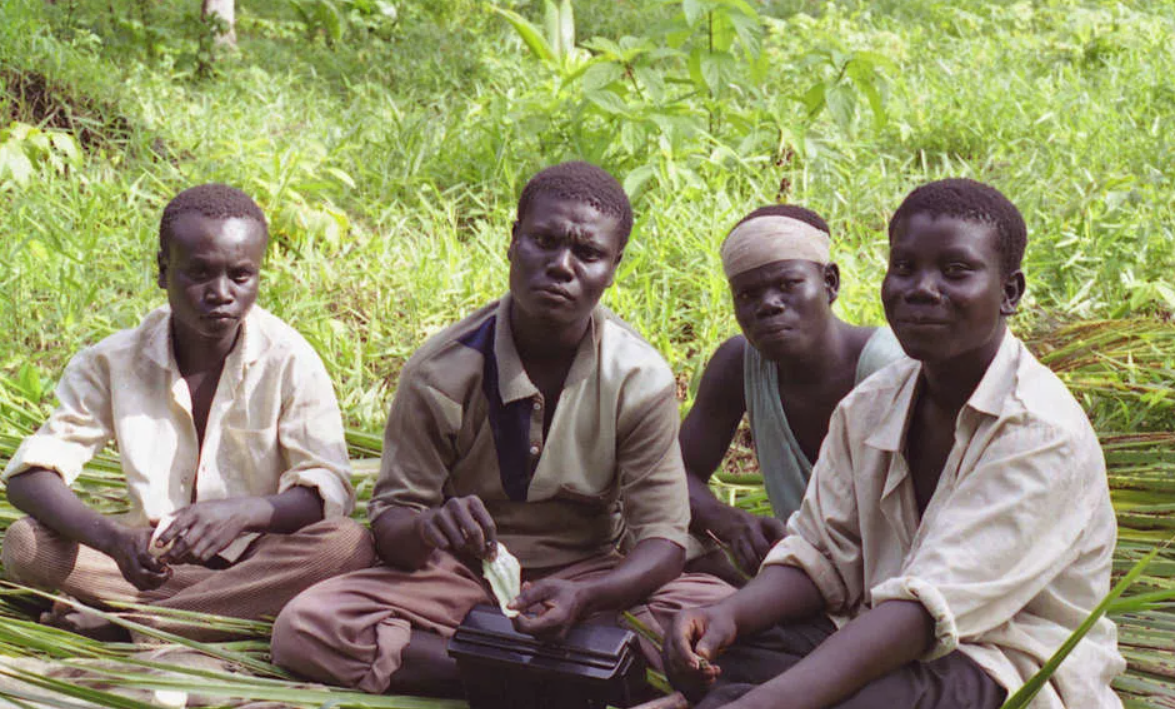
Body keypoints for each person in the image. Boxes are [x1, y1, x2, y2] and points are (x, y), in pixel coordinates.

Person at [269, 161, 732, 696]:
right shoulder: (441, 372)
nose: (561, 266)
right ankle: (567, 679)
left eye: (588, 253)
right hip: (464, 580)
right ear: (512, 242)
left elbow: (663, 544)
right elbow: (393, 526)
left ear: (614, 266)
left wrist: (589, 596)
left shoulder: (638, 379)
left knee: (720, 615)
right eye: (544, 240)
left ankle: (502, 669)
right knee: (306, 626)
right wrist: (429, 527)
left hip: (593, 579)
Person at [664, 178, 1125, 709]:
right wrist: (729, 615)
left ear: (1009, 293)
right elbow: (822, 554)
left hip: (997, 661)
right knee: (727, 656)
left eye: (955, 271)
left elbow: (923, 612)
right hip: (875, 632)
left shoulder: (1040, 433)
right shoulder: (873, 404)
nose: (920, 288)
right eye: (903, 268)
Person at [1, 183, 374, 642]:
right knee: (26, 544)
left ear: (258, 275)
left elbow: (328, 489)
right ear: (163, 271)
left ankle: (132, 627)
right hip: (150, 570)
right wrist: (114, 541)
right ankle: (219, 617)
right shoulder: (113, 361)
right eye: (199, 274)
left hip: (260, 566)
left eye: (241, 276)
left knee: (347, 545)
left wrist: (244, 512)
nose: (221, 293)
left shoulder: (290, 359)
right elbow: (29, 476)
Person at [681, 205, 904, 584]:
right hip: (798, 573)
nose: (768, 304)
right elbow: (669, 475)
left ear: (830, 283)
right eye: (748, 295)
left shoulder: (888, 368)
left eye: (787, 284)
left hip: (892, 574)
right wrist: (732, 523)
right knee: (661, 534)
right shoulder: (740, 363)